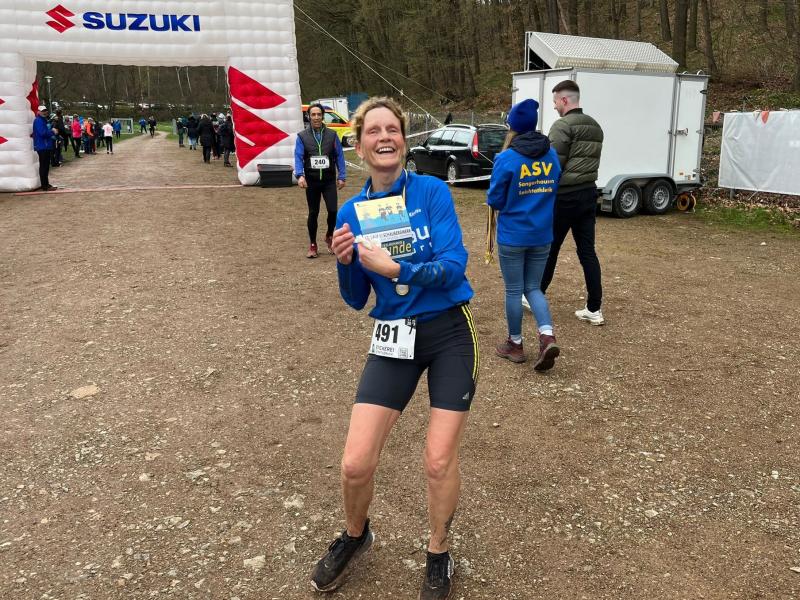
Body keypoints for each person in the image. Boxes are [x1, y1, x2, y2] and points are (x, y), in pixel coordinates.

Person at [310, 97, 478, 600]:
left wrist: (399, 269)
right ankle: (356, 536)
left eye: (393, 129)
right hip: (393, 336)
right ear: (359, 146)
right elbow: (356, 299)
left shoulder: (431, 191)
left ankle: (438, 551)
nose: (385, 137)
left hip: (448, 331)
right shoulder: (351, 212)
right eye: (374, 131)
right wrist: (345, 263)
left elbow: (454, 265)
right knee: (355, 463)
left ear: (403, 140)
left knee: (438, 460)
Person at [487, 99, 562, 371]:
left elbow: (495, 198)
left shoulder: (506, 158)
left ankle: (515, 343)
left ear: (512, 127)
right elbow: (554, 185)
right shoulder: (552, 155)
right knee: (533, 287)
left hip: (513, 235)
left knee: (514, 289)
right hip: (542, 233)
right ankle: (546, 335)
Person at [539, 80, 605, 325]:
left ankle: (535, 295)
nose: (554, 106)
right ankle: (594, 308)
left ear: (565, 100)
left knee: (551, 248)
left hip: (565, 196)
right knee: (587, 252)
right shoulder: (595, 126)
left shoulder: (562, 125)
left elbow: (552, 165)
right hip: (588, 193)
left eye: (555, 101)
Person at [293, 103, 346, 258]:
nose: (316, 117)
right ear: (309, 116)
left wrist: (342, 176)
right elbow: (298, 156)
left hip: (328, 180)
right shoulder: (302, 136)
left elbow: (339, 156)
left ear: (323, 116)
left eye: (319, 114)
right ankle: (313, 244)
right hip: (312, 181)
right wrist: (300, 175)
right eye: (313, 115)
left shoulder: (332, 135)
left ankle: (329, 235)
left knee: (333, 211)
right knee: (313, 212)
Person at [33, 105, 58, 191]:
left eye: (45, 111)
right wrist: (52, 131)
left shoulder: (43, 120)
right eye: (42, 111)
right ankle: (45, 185)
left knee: (46, 166)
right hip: (42, 146)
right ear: (38, 112)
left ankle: (46, 184)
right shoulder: (38, 120)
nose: (44, 112)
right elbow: (42, 133)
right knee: (44, 166)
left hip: (45, 146)